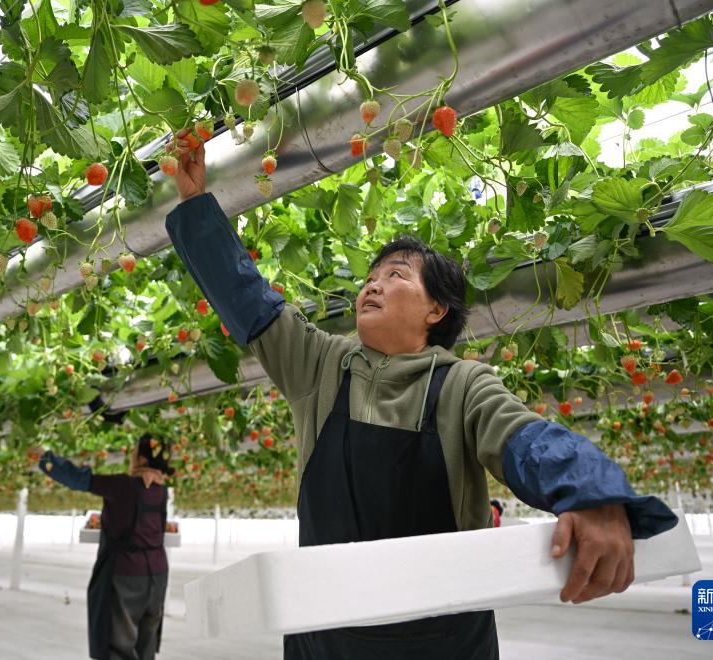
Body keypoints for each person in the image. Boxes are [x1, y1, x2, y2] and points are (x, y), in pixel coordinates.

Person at [163, 129, 677, 659]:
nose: (373, 285)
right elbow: (245, 297)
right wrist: (195, 203)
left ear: (436, 311)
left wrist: (590, 494)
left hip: (441, 644)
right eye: (370, 277)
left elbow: (528, 441)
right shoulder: (320, 364)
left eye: (397, 274)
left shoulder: (463, 385)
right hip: (324, 637)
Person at [38, 435, 173, 660]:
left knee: (119, 646)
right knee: (145, 646)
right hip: (157, 576)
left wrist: (44, 458)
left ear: (140, 458)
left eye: (133, 452)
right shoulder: (161, 490)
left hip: (127, 574)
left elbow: (78, 479)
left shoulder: (123, 485)